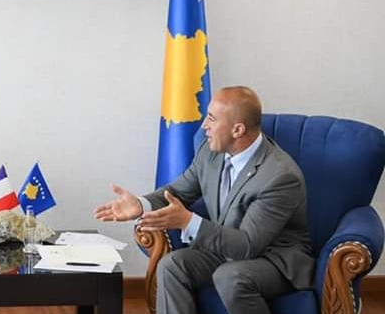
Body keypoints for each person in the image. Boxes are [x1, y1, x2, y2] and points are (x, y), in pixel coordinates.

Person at [94, 86, 314, 314]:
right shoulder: (210, 153)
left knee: (230, 277)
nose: (204, 126)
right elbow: (177, 192)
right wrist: (141, 205)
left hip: (274, 259)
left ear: (238, 130)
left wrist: (188, 222)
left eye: (211, 118)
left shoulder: (280, 176)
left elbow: (247, 246)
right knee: (171, 265)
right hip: (225, 249)